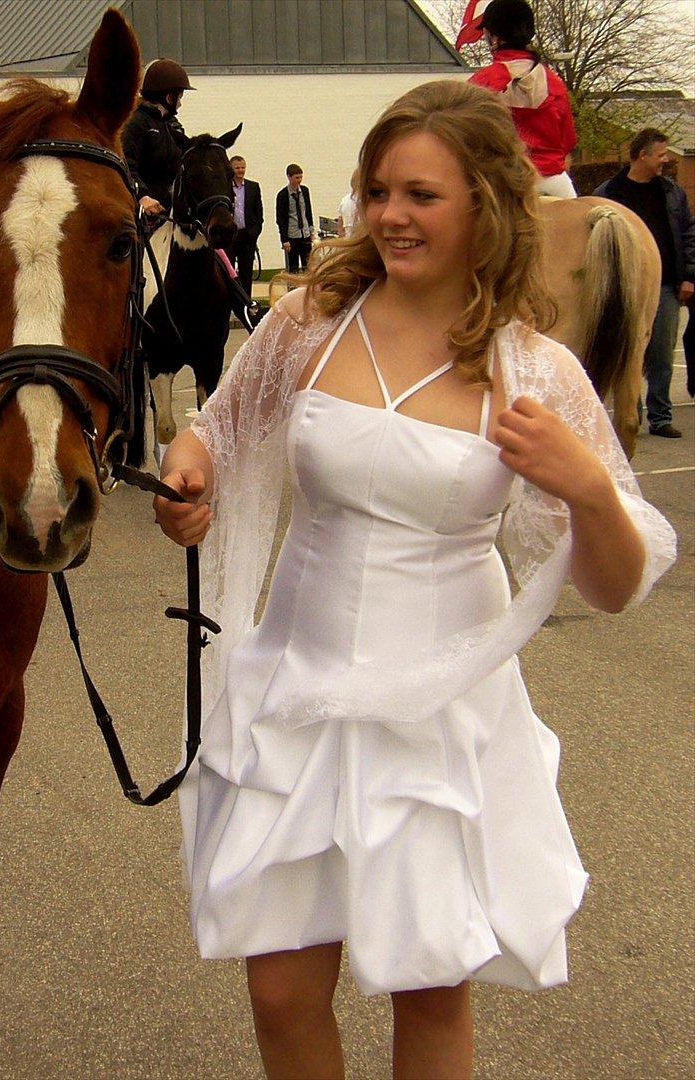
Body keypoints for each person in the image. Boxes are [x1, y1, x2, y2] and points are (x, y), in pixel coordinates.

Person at [155, 81, 675, 1079]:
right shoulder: (308, 324)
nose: (391, 214)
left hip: (440, 714)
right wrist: (191, 475)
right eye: (381, 189)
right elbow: (218, 427)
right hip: (297, 688)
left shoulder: (538, 375)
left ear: (486, 202)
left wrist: (588, 491)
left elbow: (615, 585)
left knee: (429, 985)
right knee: (279, 989)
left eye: (422, 195)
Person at [594, 129, 695, 439]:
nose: (666, 159)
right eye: (661, 154)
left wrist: (689, 275)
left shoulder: (672, 192)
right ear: (643, 156)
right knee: (627, 352)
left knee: (662, 353)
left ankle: (661, 416)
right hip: (623, 287)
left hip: (665, 285)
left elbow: (688, 235)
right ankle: (630, 414)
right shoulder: (608, 193)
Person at [468, 0, 578, 199]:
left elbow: (467, 141)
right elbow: (568, 140)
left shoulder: (480, 83)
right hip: (554, 183)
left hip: (504, 184)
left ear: (494, 37)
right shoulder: (555, 82)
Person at [120, 57, 192, 218]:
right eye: (179, 98)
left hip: (167, 212)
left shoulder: (172, 126)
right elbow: (126, 164)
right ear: (169, 97)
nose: (180, 104)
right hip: (141, 212)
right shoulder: (136, 123)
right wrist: (142, 196)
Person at [229, 155, 264, 298]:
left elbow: (258, 213)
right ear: (231, 169)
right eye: (237, 168)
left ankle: (246, 302)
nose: (240, 170)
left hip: (247, 236)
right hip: (230, 236)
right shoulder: (225, 186)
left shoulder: (253, 187)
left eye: (242, 167)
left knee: (246, 272)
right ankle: (231, 300)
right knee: (229, 271)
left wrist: (254, 232)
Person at [276, 164, 315, 271]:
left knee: (307, 265)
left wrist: (311, 231)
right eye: (296, 178)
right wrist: (284, 239)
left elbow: (308, 212)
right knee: (293, 267)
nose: (299, 180)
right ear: (289, 177)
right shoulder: (282, 195)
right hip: (292, 235)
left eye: (300, 177)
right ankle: (293, 287)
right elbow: (281, 219)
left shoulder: (305, 191)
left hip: (305, 233)